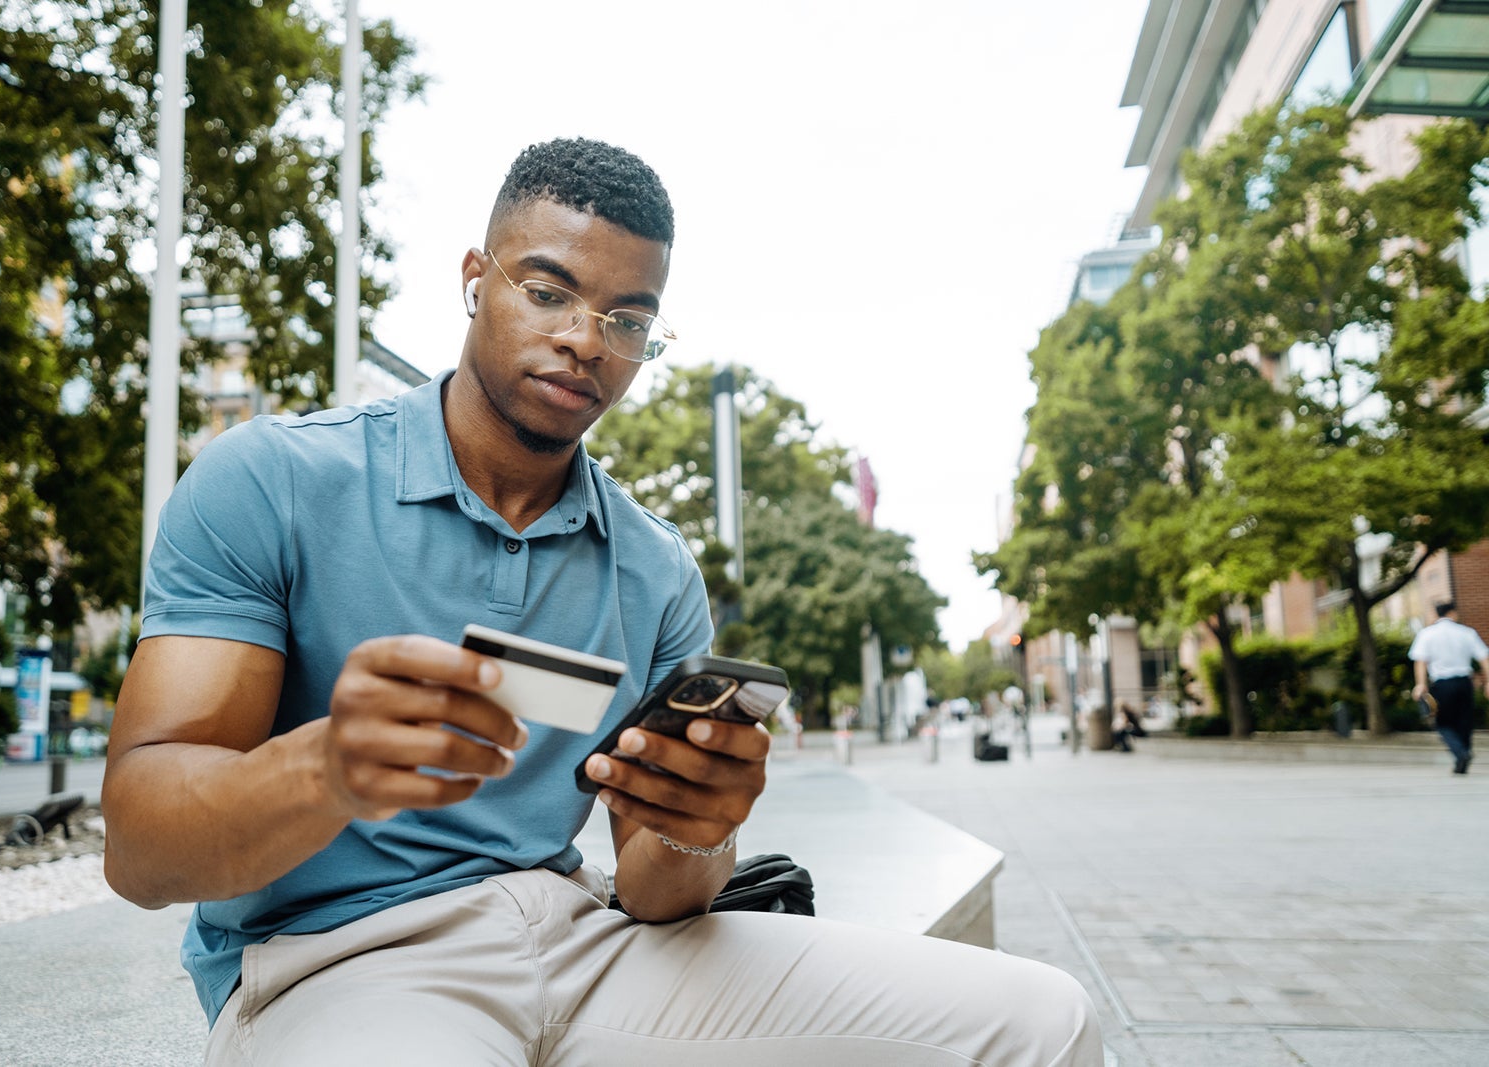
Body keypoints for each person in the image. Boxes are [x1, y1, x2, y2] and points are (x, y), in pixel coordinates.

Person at [103, 137, 1102, 1065]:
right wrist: (322, 767)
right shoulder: (271, 479)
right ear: (471, 281)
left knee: (1043, 1021)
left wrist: (699, 829)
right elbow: (141, 848)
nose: (587, 339)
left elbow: (657, 888)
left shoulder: (655, 567)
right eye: (548, 291)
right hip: (345, 959)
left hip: (585, 937)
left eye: (627, 318)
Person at [1408, 601, 1489, 775]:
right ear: (1452, 613)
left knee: (1443, 723)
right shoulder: (1467, 632)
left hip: (1442, 684)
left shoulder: (1426, 634)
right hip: (1464, 683)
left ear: (1438, 614)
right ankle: (1464, 753)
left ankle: (1461, 753)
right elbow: (1484, 658)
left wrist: (1421, 684)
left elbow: (1420, 661)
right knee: (1464, 720)